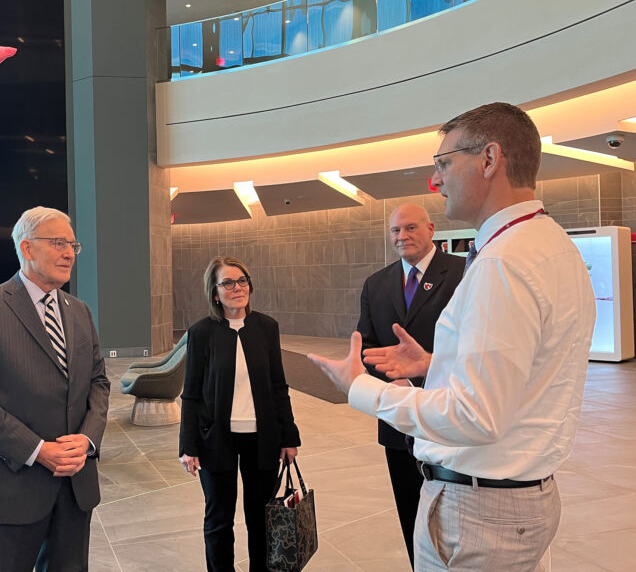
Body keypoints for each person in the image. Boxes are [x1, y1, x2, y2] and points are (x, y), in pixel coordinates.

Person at [309, 103, 595, 572]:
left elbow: (475, 417)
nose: (435, 180)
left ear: (489, 159)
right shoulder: (550, 243)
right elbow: (527, 368)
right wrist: (435, 363)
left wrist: (362, 388)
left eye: (443, 164)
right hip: (520, 498)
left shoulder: (504, 262)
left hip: (481, 516)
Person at [0, 206, 110, 572]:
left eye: (72, 244)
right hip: (9, 489)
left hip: (74, 489)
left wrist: (87, 440)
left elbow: (98, 383)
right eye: (58, 243)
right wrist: (37, 450)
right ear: (26, 248)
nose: (69, 252)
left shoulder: (80, 312)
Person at [357, 202, 464, 568]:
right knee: (409, 509)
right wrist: (392, 379)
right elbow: (368, 345)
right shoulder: (376, 283)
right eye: (395, 231)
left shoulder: (463, 272)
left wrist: (425, 373)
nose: (402, 236)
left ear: (431, 229)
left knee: (453, 513)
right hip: (396, 419)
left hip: (448, 412)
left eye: (411, 228)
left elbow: (474, 340)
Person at [179, 255, 302, 572]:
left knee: (261, 517)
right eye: (228, 282)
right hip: (214, 439)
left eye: (242, 280)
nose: (237, 288)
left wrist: (289, 436)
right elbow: (191, 393)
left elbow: (278, 385)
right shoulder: (201, 332)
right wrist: (188, 446)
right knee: (219, 519)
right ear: (215, 291)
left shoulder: (266, 327)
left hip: (262, 438)